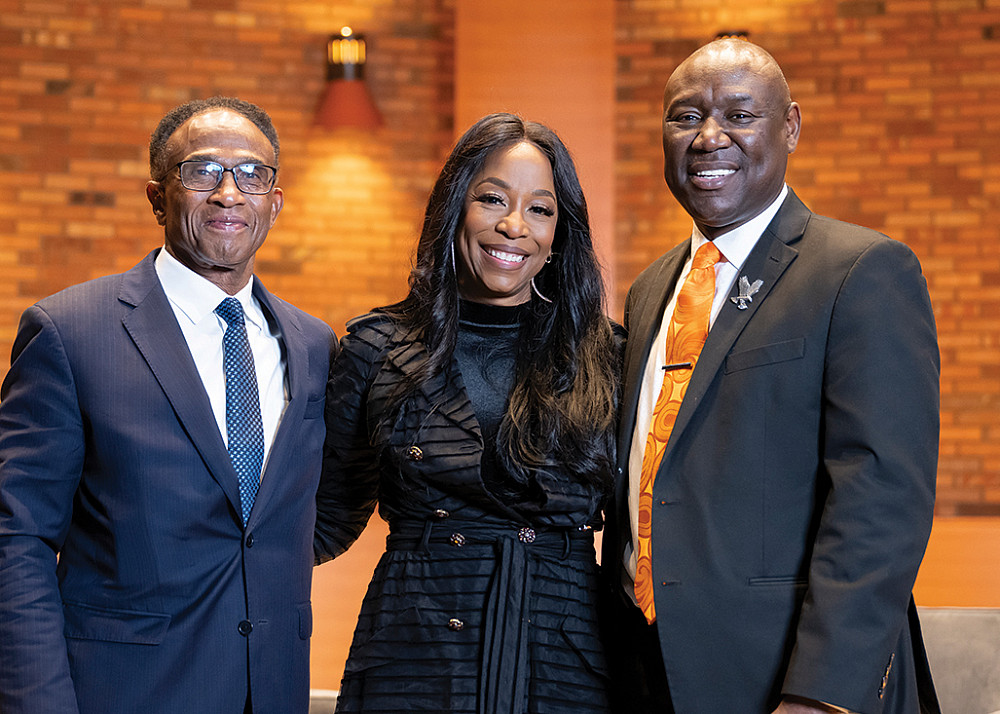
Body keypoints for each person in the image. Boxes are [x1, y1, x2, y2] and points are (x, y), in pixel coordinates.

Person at [601, 39, 941, 714]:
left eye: (739, 114)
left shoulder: (861, 272)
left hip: (786, 680)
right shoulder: (647, 293)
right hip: (645, 672)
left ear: (790, 127)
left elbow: (882, 503)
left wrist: (821, 694)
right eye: (685, 115)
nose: (708, 137)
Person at [0, 96, 335, 714]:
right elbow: (15, 537)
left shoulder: (313, 345)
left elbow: (287, 517)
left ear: (275, 201)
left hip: (273, 690)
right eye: (202, 171)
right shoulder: (70, 333)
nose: (229, 193)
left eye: (252, 174)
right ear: (157, 197)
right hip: (123, 693)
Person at [314, 112, 620, 713]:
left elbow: (652, 527)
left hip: (567, 654)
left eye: (541, 209)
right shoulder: (377, 347)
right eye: (492, 199)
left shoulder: (608, 354)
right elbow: (324, 519)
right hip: (413, 648)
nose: (514, 226)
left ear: (561, 234)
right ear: (455, 208)